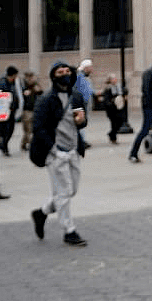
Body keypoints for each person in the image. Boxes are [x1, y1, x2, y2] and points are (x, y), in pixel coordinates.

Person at [30, 61, 89, 246]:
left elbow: (81, 122)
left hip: (73, 150)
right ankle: (69, 230)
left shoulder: (76, 96)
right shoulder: (46, 99)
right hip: (56, 153)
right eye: (59, 72)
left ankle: (42, 212)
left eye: (66, 71)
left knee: (71, 190)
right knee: (63, 193)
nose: (64, 74)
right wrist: (53, 150)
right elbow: (38, 128)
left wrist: (81, 121)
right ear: (53, 76)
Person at [0, 65, 23, 156]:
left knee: (10, 130)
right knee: (3, 130)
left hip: (11, 110)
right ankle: (3, 146)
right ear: (12, 75)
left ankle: (3, 145)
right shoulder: (2, 83)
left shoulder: (14, 83)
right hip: (3, 111)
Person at [100, 73, 127, 144]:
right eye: (113, 78)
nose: (115, 80)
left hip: (119, 107)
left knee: (121, 121)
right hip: (112, 109)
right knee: (114, 123)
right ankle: (113, 138)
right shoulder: (108, 88)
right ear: (110, 80)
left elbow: (125, 91)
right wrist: (111, 103)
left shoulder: (119, 87)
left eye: (115, 78)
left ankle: (111, 133)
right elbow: (106, 99)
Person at [20, 71, 43, 151]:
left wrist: (39, 90)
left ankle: (27, 144)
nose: (30, 79)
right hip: (26, 111)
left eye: (31, 77)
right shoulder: (23, 86)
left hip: (35, 110)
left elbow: (41, 94)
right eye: (28, 78)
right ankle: (27, 144)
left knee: (32, 129)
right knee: (28, 130)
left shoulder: (35, 85)